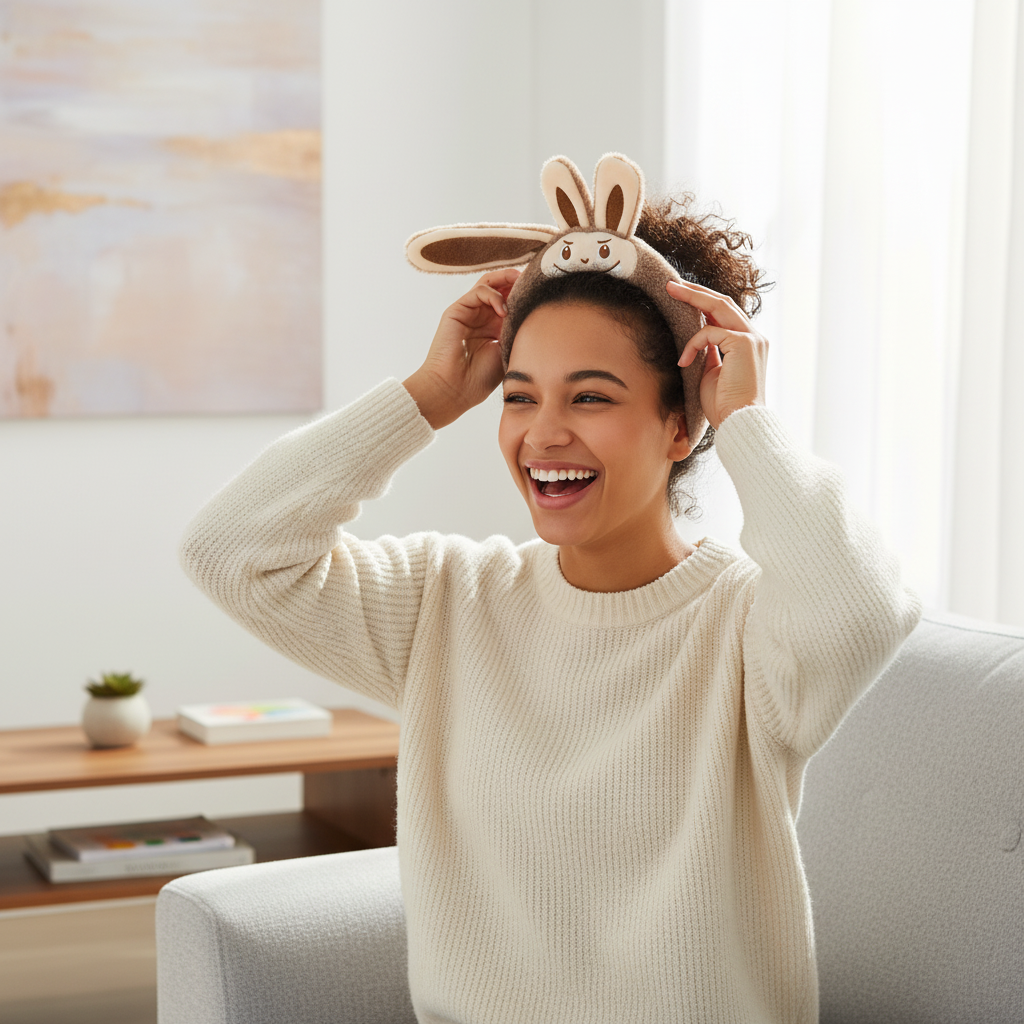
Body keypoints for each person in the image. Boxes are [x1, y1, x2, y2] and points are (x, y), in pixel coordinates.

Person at [180, 166, 921, 1024]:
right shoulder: (448, 602)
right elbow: (231, 551)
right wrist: (427, 398)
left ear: (682, 423)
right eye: (519, 395)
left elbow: (865, 609)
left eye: (592, 397)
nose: (542, 434)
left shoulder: (749, 631)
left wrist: (749, 421)